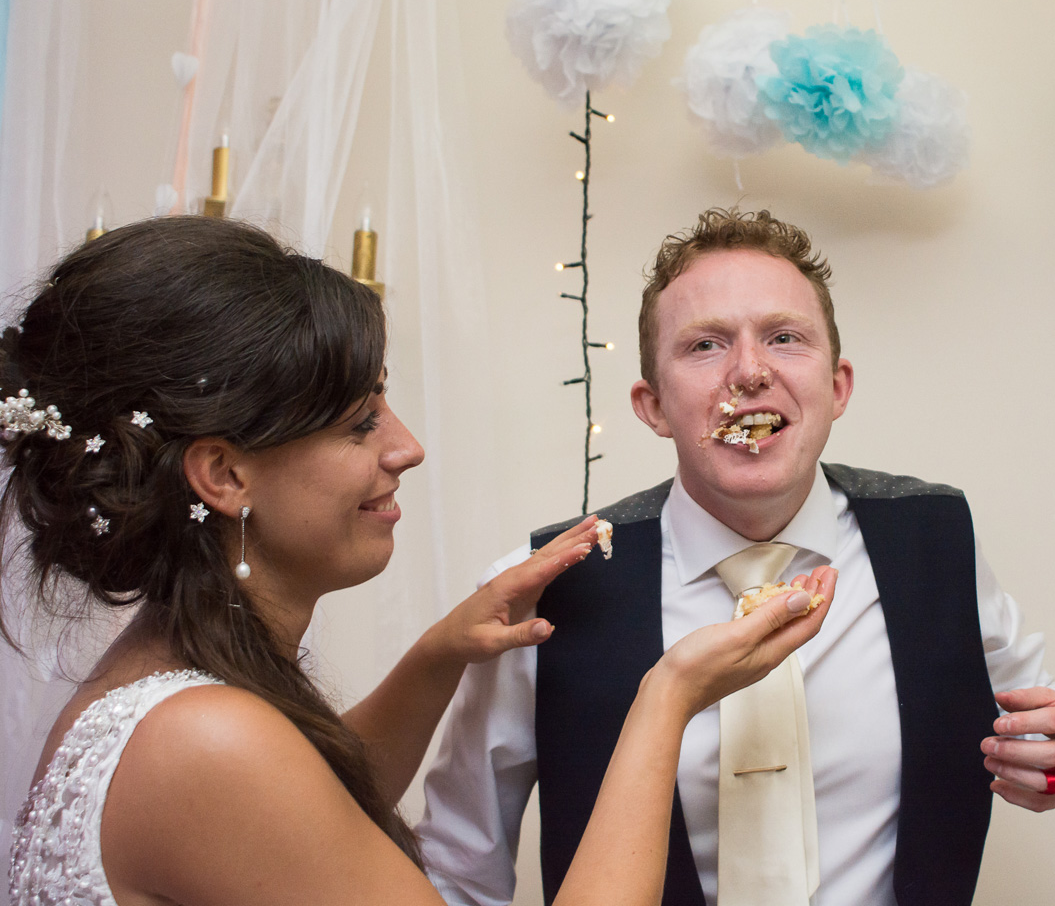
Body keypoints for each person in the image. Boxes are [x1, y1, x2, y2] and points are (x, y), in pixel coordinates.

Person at [2, 216, 837, 906]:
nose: (408, 447)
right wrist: (668, 697)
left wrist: (437, 655)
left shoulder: (163, 685)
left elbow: (313, 803)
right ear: (224, 475)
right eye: (361, 422)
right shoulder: (208, 744)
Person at [419, 208, 1055, 906]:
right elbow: (457, 869)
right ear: (653, 404)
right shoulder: (547, 583)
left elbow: (1049, 736)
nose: (749, 373)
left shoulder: (936, 538)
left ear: (837, 386)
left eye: (784, 338)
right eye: (704, 346)